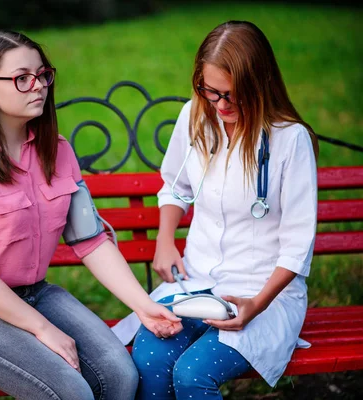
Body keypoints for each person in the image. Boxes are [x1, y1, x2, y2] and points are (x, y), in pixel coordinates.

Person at [0, 30, 182, 400]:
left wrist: (144, 307)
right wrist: (43, 329)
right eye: (22, 78)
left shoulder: (58, 151)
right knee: (70, 393)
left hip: (35, 293)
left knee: (120, 376)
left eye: (43, 74)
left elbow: (91, 240)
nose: (38, 86)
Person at [111, 20, 319, 399]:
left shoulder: (290, 140)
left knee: (193, 374)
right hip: (196, 282)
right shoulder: (195, 116)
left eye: (233, 95)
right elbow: (175, 186)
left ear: (261, 85)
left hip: (262, 294)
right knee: (151, 362)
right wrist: (164, 241)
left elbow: (297, 244)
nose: (221, 106)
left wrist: (256, 303)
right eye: (211, 92)